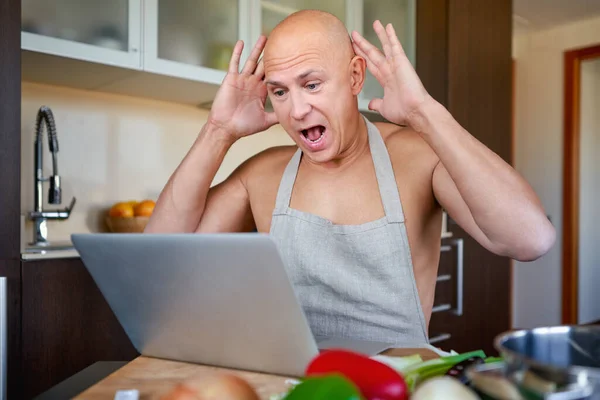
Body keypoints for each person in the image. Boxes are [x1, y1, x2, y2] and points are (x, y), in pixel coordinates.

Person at [145, 10, 555, 345]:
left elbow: (530, 239)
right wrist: (218, 130)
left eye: (312, 84)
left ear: (356, 77)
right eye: (280, 91)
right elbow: (160, 264)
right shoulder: (263, 174)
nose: (297, 110)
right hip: (299, 387)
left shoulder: (417, 157)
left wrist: (423, 113)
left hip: (395, 386)